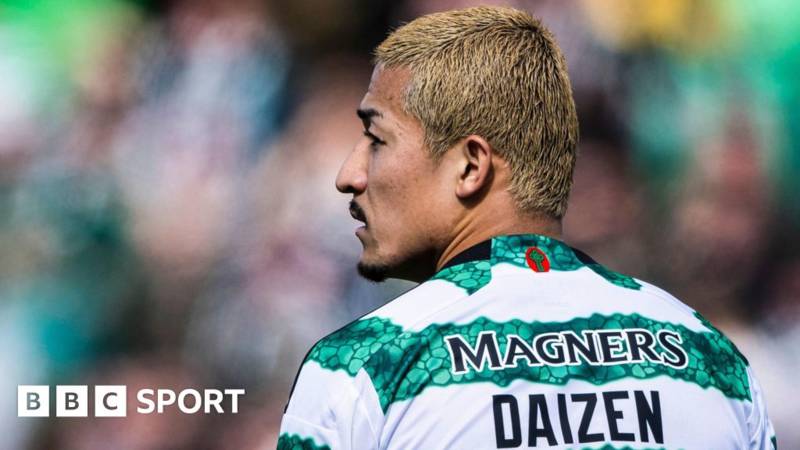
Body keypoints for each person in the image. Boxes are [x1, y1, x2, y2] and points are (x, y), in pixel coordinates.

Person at [278, 6, 776, 449]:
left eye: (376, 139)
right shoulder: (712, 358)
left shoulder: (362, 366)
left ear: (470, 166)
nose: (349, 175)